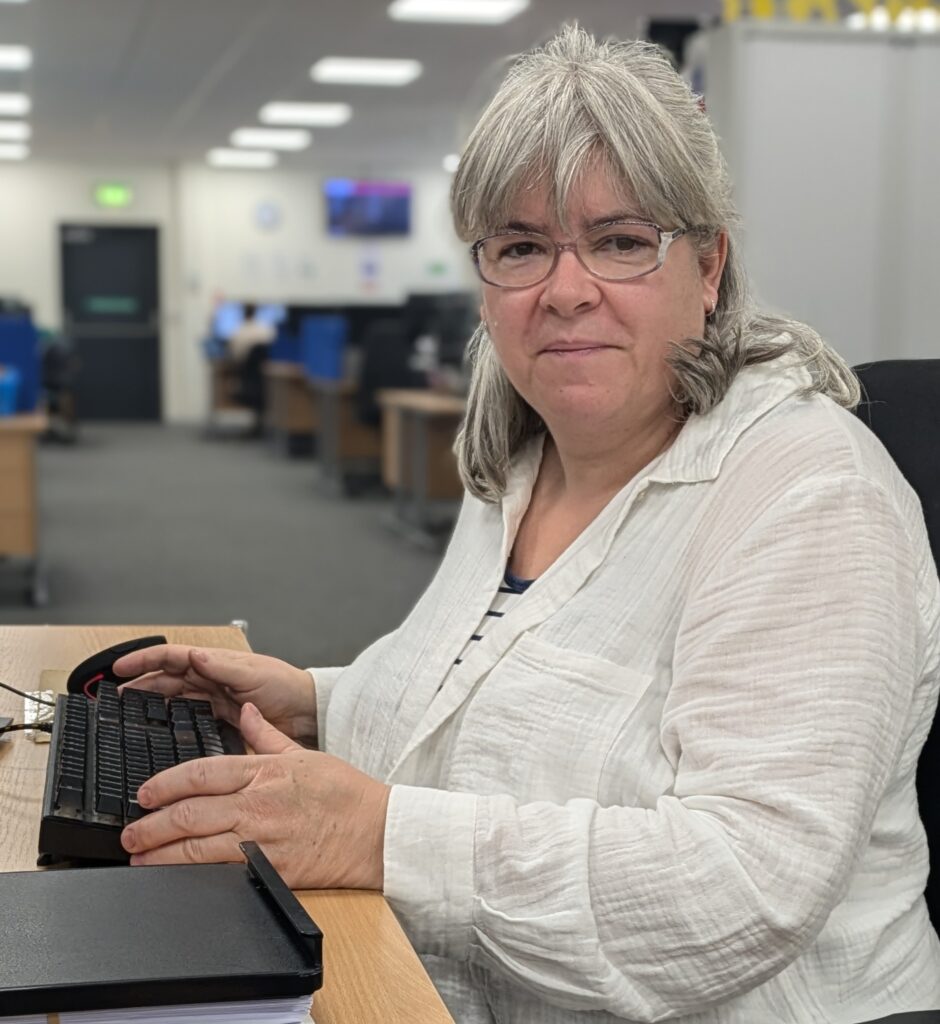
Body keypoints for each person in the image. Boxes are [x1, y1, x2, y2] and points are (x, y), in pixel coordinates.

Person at [114, 26, 940, 1023]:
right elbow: (492, 692)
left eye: (622, 241)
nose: (565, 290)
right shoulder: (526, 455)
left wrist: (380, 835)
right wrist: (315, 702)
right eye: (520, 247)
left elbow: (745, 884)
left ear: (708, 268)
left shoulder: (810, 493)